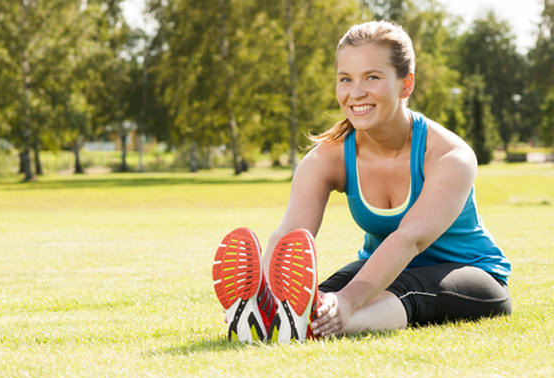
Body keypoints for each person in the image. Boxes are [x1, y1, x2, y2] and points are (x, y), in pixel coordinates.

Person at [212, 20, 512, 343]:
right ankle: (269, 314)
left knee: (398, 290)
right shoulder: (329, 157)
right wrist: (273, 291)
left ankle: (313, 328)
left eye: (372, 77)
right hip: (381, 268)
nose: (356, 92)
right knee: (323, 294)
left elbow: (408, 240)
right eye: (345, 79)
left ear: (406, 84)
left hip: (469, 274)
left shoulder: (450, 156)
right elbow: (291, 233)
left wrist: (349, 301)